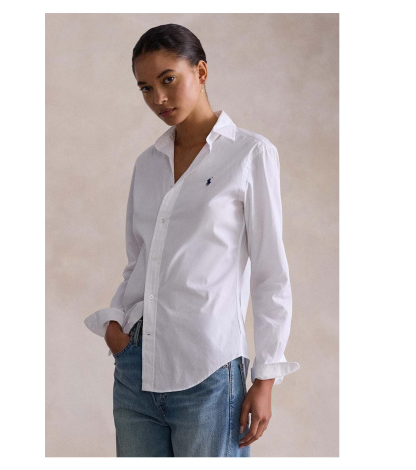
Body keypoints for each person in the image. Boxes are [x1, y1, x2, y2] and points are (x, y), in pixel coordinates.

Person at [84, 23, 300, 457]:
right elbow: (139, 260)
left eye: (169, 79)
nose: (158, 98)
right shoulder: (148, 164)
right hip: (135, 367)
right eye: (146, 88)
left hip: (208, 371)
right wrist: (116, 328)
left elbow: (270, 272)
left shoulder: (250, 154)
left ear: (200, 72)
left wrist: (265, 378)